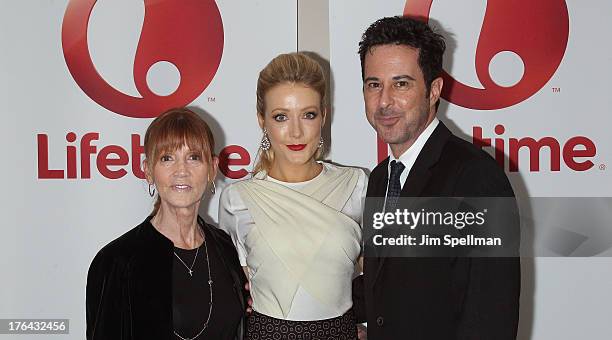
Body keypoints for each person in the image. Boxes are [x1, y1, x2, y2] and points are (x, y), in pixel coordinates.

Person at [351, 16, 521, 339]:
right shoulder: (379, 179)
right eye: (374, 84)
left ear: (434, 90)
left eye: (401, 84)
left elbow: (491, 319)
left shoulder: (476, 180)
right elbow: (384, 290)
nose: (384, 101)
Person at [219, 53, 367, 339]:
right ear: (262, 120)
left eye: (308, 115)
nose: (296, 131)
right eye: (281, 117)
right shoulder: (237, 199)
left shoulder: (357, 185)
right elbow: (235, 291)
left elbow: (382, 278)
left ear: (324, 115)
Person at [86, 108, 248, 340]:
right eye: (167, 158)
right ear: (148, 171)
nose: (181, 171)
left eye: (193, 157)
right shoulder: (116, 262)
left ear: (212, 168)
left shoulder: (226, 249)